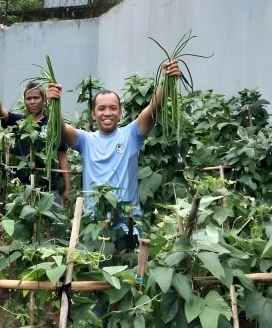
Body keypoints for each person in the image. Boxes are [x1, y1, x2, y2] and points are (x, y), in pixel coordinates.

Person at [47, 60, 184, 242]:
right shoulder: (86, 140)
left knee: (132, 267)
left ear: (120, 113)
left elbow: (153, 107)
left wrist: (167, 80)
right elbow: (61, 129)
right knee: (93, 266)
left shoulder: (131, 135)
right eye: (101, 108)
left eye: (113, 108)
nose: (107, 113)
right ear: (93, 114)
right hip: (94, 223)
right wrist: (53, 103)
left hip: (128, 221)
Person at [0, 75, 71, 205]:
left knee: (51, 222)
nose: (32, 101)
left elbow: (62, 155)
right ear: (24, 101)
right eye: (28, 98)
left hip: (48, 187)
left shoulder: (52, 123)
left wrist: (68, 188)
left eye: (36, 98)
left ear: (44, 100)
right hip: (20, 187)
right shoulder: (19, 122)